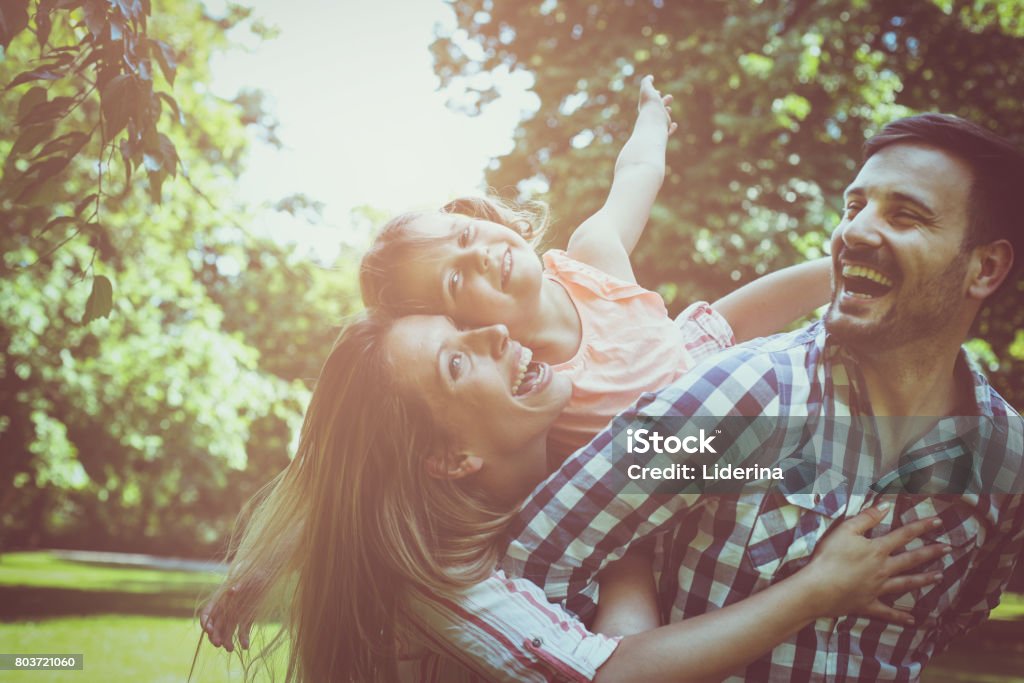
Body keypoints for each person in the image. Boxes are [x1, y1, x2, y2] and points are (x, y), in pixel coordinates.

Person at [502, 113, 1024, 681]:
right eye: (854, 207)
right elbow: (538, 566)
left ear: (986, 267)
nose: (853, 232)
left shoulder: (1006, 460)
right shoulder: (741, 398)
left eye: (905, 215)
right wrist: (631, 649)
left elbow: (950, 621)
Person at [199, 310, 948, 683]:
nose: (496, 329)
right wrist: (820, 587)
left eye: (467, 324)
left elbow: (716, 320)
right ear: (451, 456)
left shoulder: (593, 411)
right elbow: (610, 674)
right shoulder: (439, 584)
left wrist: (853, 284)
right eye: (459, 360)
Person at [360, 75, 832, 458]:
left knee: (722, 322)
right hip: (678, 462)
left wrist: (650, 118)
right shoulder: (524, 386)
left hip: (692, 360)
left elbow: (636, 174)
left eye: (465, 235)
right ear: (460, 328)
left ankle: (842, 270)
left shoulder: (590, 257)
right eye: (456, 279)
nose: (478, 255)